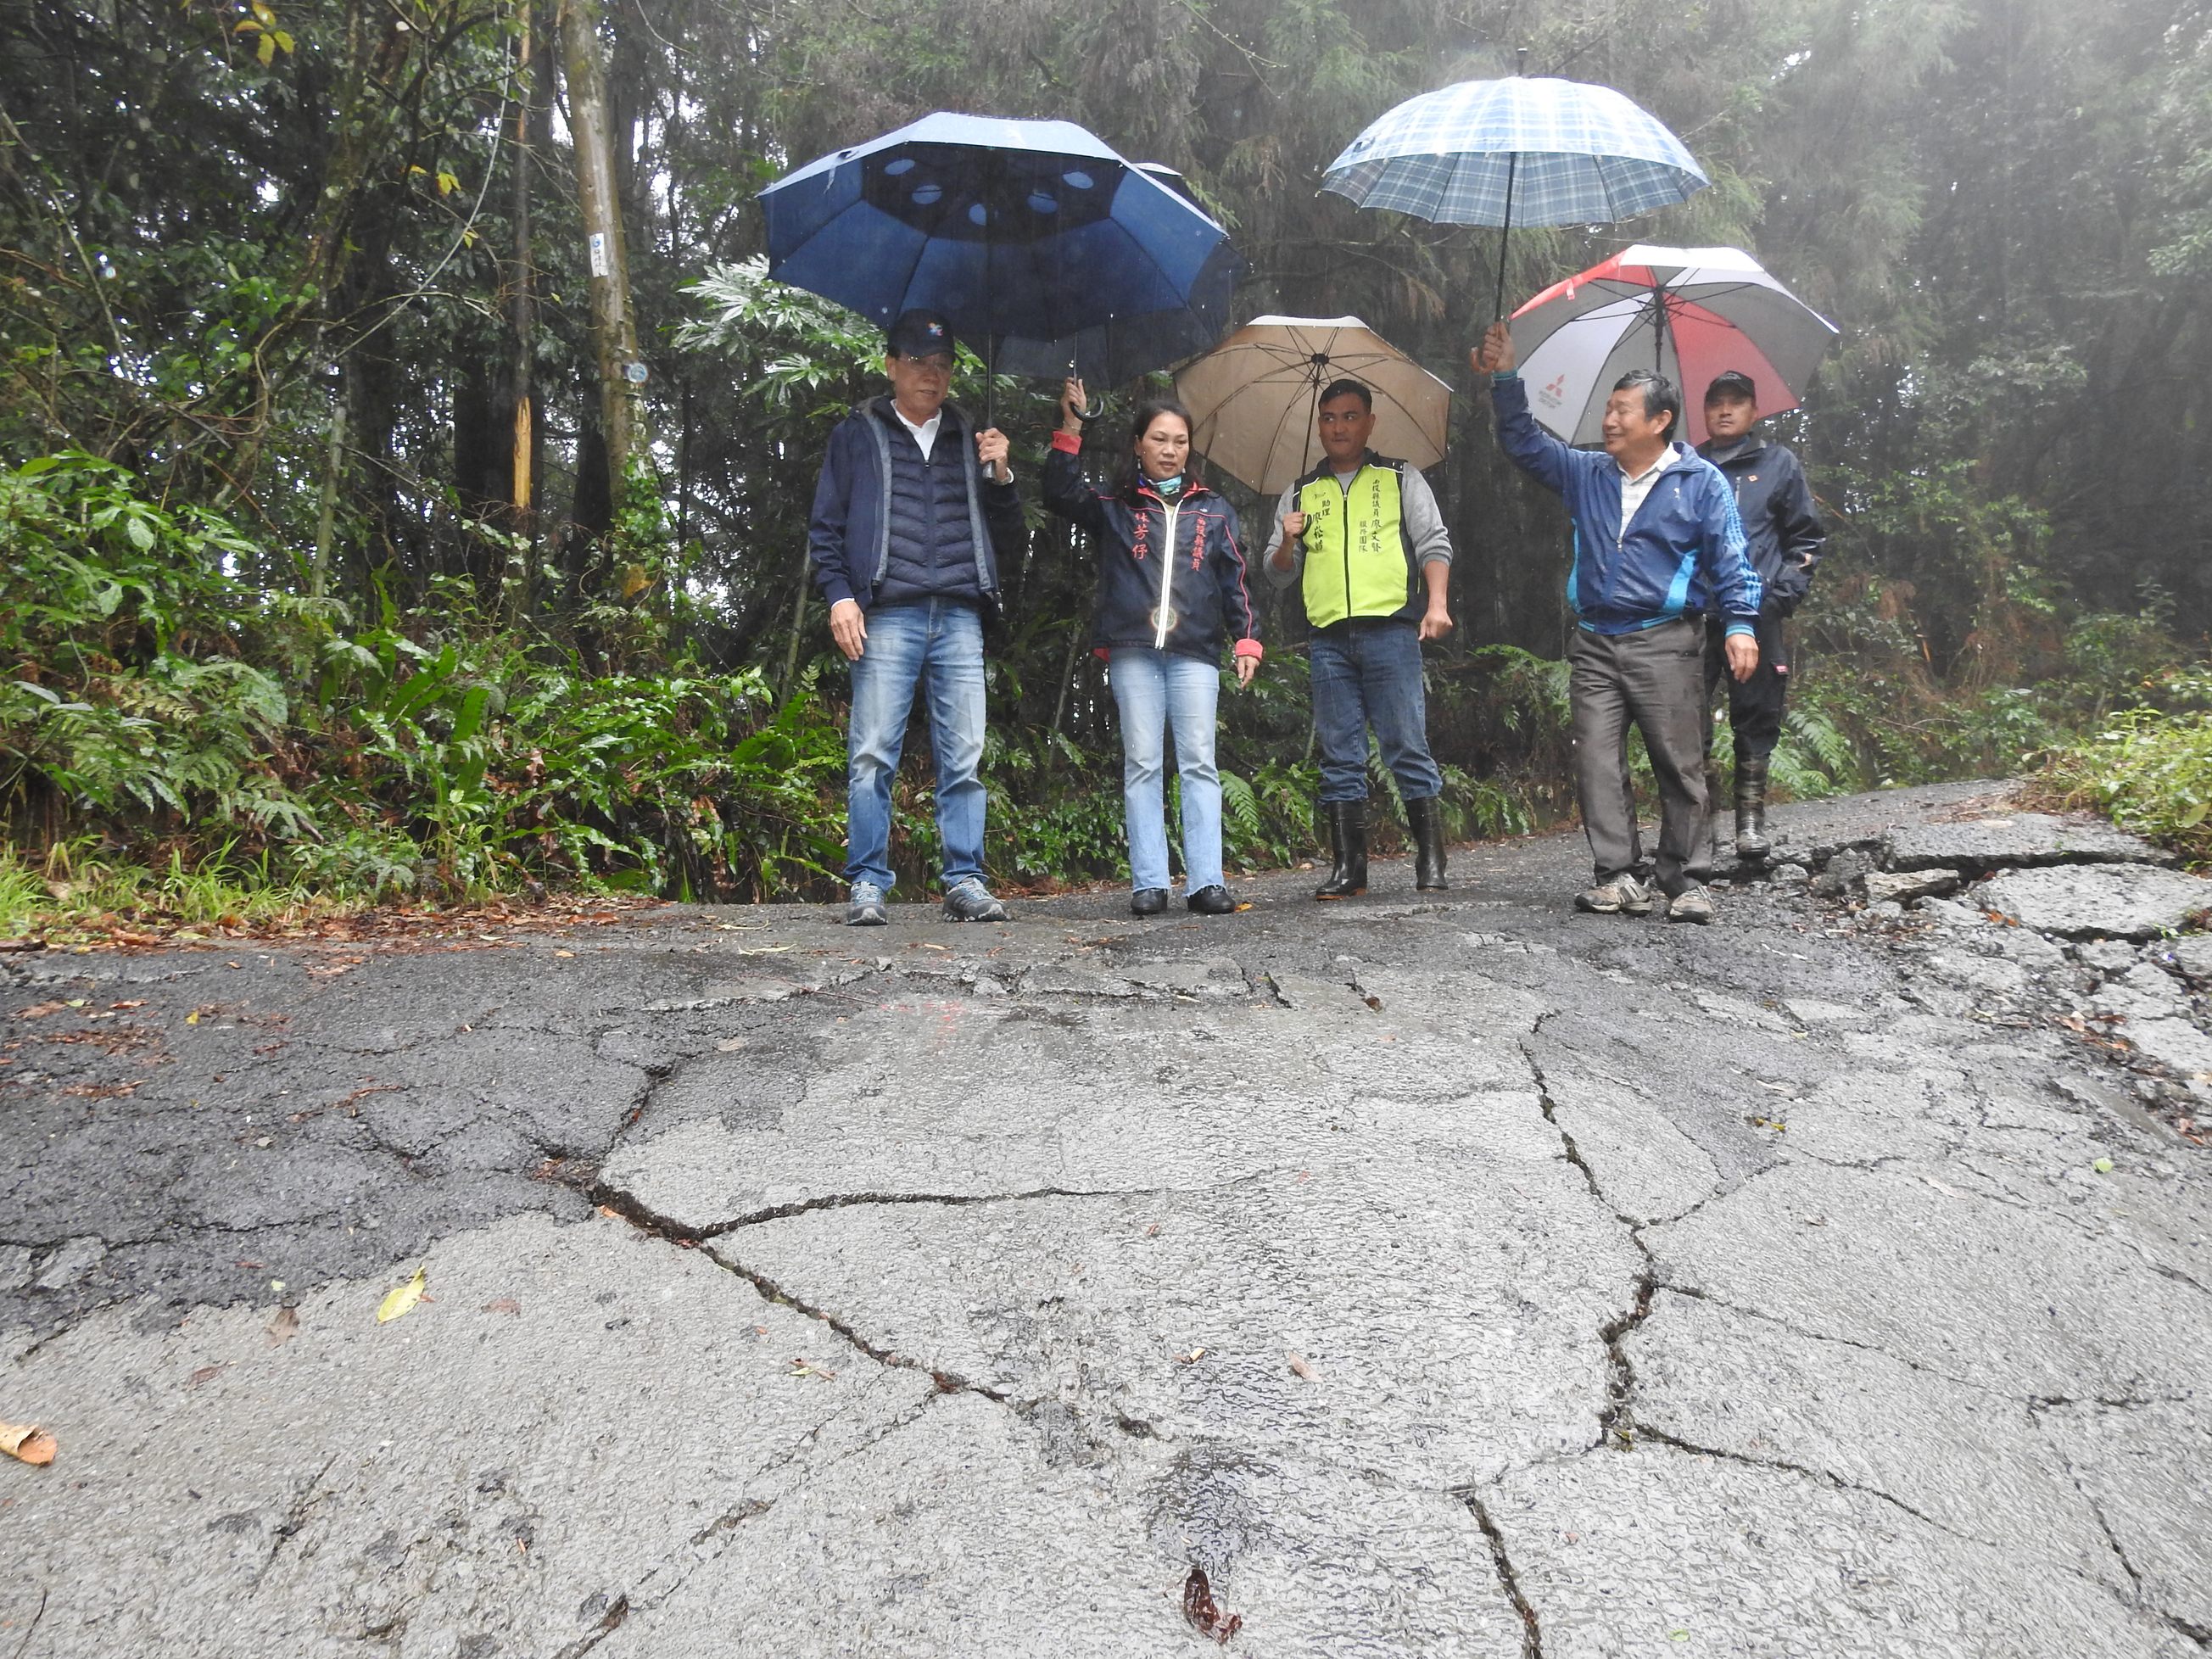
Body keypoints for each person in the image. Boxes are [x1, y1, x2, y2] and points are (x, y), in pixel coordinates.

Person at [1473, 321, 1762, 924]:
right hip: (1596, 642)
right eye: (1608, 409)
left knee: (1678, 762)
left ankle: (1685, 880)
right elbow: (1524, 442)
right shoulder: (1588, 474)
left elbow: (1729, 556)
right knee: (1597, 761)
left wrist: (1740, 623)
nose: (1609, 420)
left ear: (1659, 421)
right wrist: (1505, 375)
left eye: (1623, 411)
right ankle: (1618, 876)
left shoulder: (1700, 482)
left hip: (1668, 641)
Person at [807, 309, 1024, 927]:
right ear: (891, 365)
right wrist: (839, 596)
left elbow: (1010, 541)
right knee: (873, 753)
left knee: (965, 756)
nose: (933, 375)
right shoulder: (857, 432)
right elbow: (826, 527)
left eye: (943, 365)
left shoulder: (970, 437)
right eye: (920, 362)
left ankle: (964, 879)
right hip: (888, 614)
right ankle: (868, 883)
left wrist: (1002, 475)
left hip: (960, 614)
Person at [1043, 377, 1262, 916]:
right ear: (1138, 443)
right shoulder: (1115, 505)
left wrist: (1247, 638)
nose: (1171, 450)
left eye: (1180, 441)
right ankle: (1149, 882)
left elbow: (1235, 578)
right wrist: (1072, 426)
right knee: (1142, 761)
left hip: (1195, 651)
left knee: (1199, 762)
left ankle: (1207, 881)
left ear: (1190, 448)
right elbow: (1058, 492)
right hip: (1133, 649)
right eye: (1160, 439)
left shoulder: (1214, 509)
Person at [1261, 379, 1456, 899]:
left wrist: (1436, 604)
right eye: (1328, 417)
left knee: (1406, 746)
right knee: (1339, 753)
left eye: (1349, 416)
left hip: (1391, 630)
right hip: (1328, 638)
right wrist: (1286, 541)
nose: (1339, 427)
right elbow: (1278, 574)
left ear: (1370, 422)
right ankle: (1350, 868)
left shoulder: (1399, 477)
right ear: (1318, 425)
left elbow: (1433, 543)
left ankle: (1431, 861)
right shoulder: (1301, 493)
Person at [1697, 370, 1826, 863]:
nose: (1725, 410)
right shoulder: (1687, 465)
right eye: (1716, 402)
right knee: (1688, 720)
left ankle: (1749, 825)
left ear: (1754, 411)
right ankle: (1699, 830)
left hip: (1757, 612)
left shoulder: (1778, 464)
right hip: (1696, 614)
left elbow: (1806, 539)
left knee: (1758, 715)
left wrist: (1780, 597)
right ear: (1703, 411)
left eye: (1736, 402)